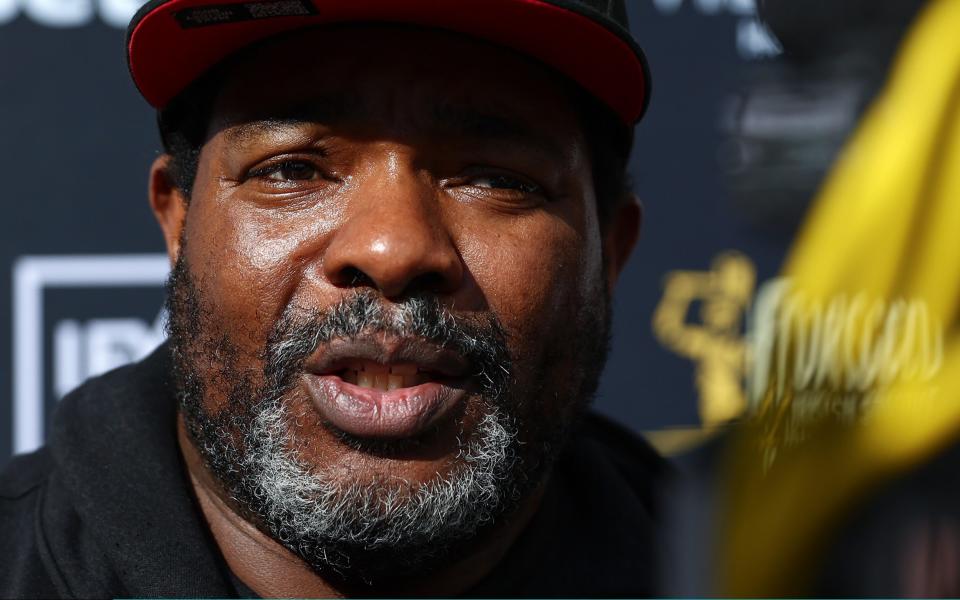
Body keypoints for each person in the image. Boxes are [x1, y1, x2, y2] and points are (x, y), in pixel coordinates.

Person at [0, 1, 667, 597]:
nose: (392, 250)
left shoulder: (732, 572)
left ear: (609, 250)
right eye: (292, 170)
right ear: (177, 219)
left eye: (496, 178)